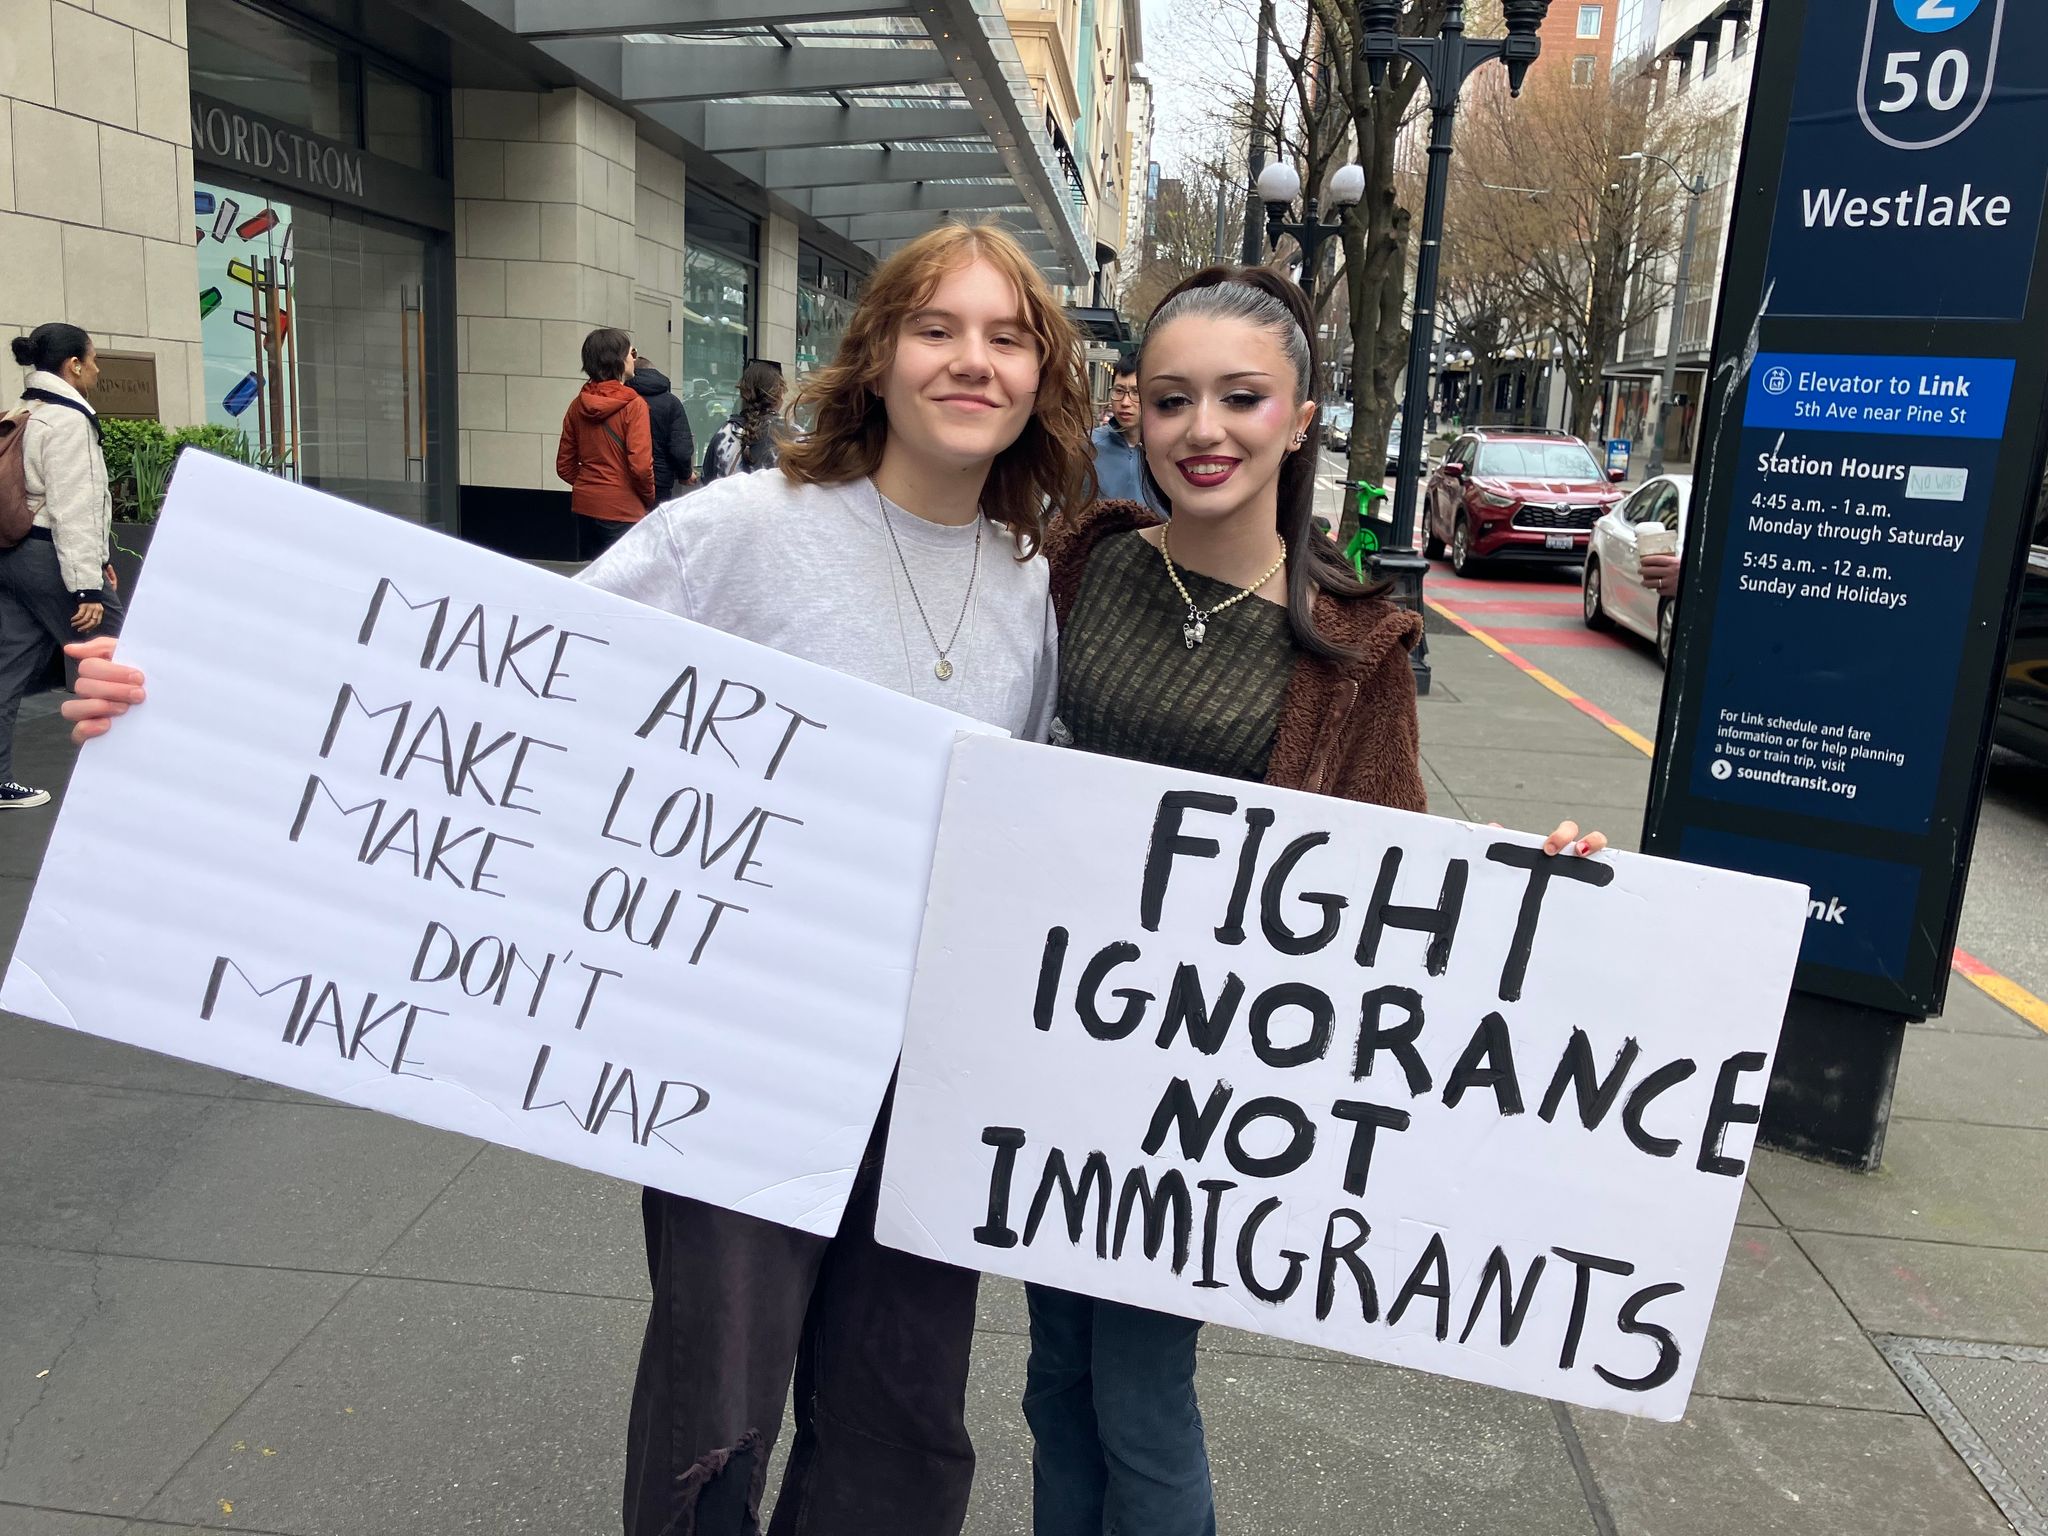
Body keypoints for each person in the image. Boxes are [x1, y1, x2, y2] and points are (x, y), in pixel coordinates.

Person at [61, 221, 1096, 1536]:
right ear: (878, 356)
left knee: (903, 1414)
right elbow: (485, 688)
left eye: (1008, 336)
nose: (973, 361)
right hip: (737, 1054)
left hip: (923, 1076)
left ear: (1041, 376)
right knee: (715, 1415)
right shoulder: (744, 530)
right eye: (938, 328)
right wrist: (187, 698)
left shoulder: (1023, 582)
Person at [1030, 266, 1609, 1536]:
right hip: (1055, 1058)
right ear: (1137, 410)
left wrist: (1535, 887)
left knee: (1137, 1392)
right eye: (1171, 398)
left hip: (1201, 1087)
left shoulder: (1351, 644)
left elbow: (1386, 863)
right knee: (1052, 1384)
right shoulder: (1080, 562)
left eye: (1241, 398)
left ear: (1300, 418)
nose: (1203, 431)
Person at [1, 324, 123, 810]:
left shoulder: (23, 412)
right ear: (73, 364)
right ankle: (148, 775)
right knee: (126, 656)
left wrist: (102, 559)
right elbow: (73, 509)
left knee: (6, 671)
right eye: (92, 360)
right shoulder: (69, 422)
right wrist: (87, 588)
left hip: (12, 557)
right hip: (50, 557)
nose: (96, 369)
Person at [557, 327, 655, 559]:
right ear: (618, 360)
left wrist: (590, 485)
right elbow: (641, 466)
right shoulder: (634, 405)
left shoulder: (577, 405)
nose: (634, 358)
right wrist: (648, 498)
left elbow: (564, 465)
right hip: (624, 509)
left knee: (593, 580)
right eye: (631, 352)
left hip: (585, 506)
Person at [1087, 345, 1165, 515]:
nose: (1125, 402)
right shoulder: (1088, 446)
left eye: (1136, 392)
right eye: (1119, 391)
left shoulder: (1169, 449)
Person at [700, 359, 788, 482]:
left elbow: (706, 482)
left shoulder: (723, 434)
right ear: (779, 394)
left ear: (743, 394)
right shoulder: (792, 435)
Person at [626, 353, 696, 502]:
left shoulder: (623, 399)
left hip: (625, 482)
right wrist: (686, 474)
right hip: (660, 482)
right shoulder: (671, 402)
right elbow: (680, 448)